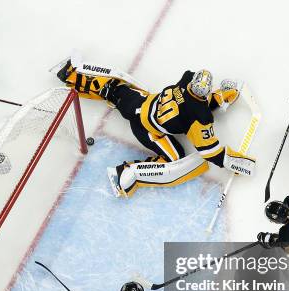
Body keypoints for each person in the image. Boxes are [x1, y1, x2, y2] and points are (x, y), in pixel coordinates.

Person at [57, 62, 256, 197]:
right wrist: (233, 162)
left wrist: (219, 97)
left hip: (142, 102)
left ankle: (71, 75)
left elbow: (192, 103)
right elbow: (209, 152)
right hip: (149, 131)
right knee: (175, 158)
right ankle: (126, 173)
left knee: (113, 89)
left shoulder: (187, 78)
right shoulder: (200, 117)